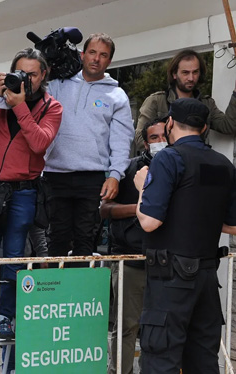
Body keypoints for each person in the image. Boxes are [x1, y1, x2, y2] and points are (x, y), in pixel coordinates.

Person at [0, 48, 62, 373]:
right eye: (20, 72)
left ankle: (6, 316)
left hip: (23, 191)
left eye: (32, 74)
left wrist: (20, 106)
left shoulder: (52, 107)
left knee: (13, 258)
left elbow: (39, 143)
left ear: (43, 76)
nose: (25, 79)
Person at [134, 98, 236, 373]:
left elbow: (149, 222)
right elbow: (232, 225)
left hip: (171, 280)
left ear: (169, 123)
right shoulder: (222, 163)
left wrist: (143, 187)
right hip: (206, 278)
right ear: (204, 128)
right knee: (202, 360)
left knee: (160, 359)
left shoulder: (168, 157)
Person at [43, 33, 134, 264]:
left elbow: (122, 140)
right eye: (92, 53)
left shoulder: (117, 95)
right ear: (83, 55)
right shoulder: (56, 85)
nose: (96, 59)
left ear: (110, 61)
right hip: (55, 173)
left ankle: (79, 297)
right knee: (57, 239)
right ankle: (55, 294)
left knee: (86, 240)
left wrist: (115, 175)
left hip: (92, 177)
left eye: (103, 55)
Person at [101, 118, 167, 374]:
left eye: (164, 136)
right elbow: (104, 209)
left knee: (161, 325)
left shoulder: (179, 168)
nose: (160, 141)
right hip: (130, 260)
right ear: (145, 143)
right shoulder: (127, 170)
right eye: (154, 138)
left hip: (167, 261)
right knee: (126, 325)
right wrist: (140, 208)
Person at [134, 49, 236, 153]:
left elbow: (229, 126)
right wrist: (168, 152)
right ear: (174, 74)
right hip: (162, 164)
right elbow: (139, 138)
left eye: (195, 72)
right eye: (185, 73)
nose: (191, 78)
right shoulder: (156, 101)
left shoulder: (207, 104)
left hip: (194, 164)